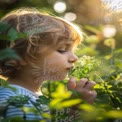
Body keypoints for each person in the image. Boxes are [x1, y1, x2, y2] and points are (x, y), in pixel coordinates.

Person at [0, 8, 97, 121]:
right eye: (62, 49)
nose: (75, 58)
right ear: (23, 57)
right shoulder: (17, 101)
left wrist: (75, 108)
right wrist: (79, 109)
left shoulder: (29, 96)